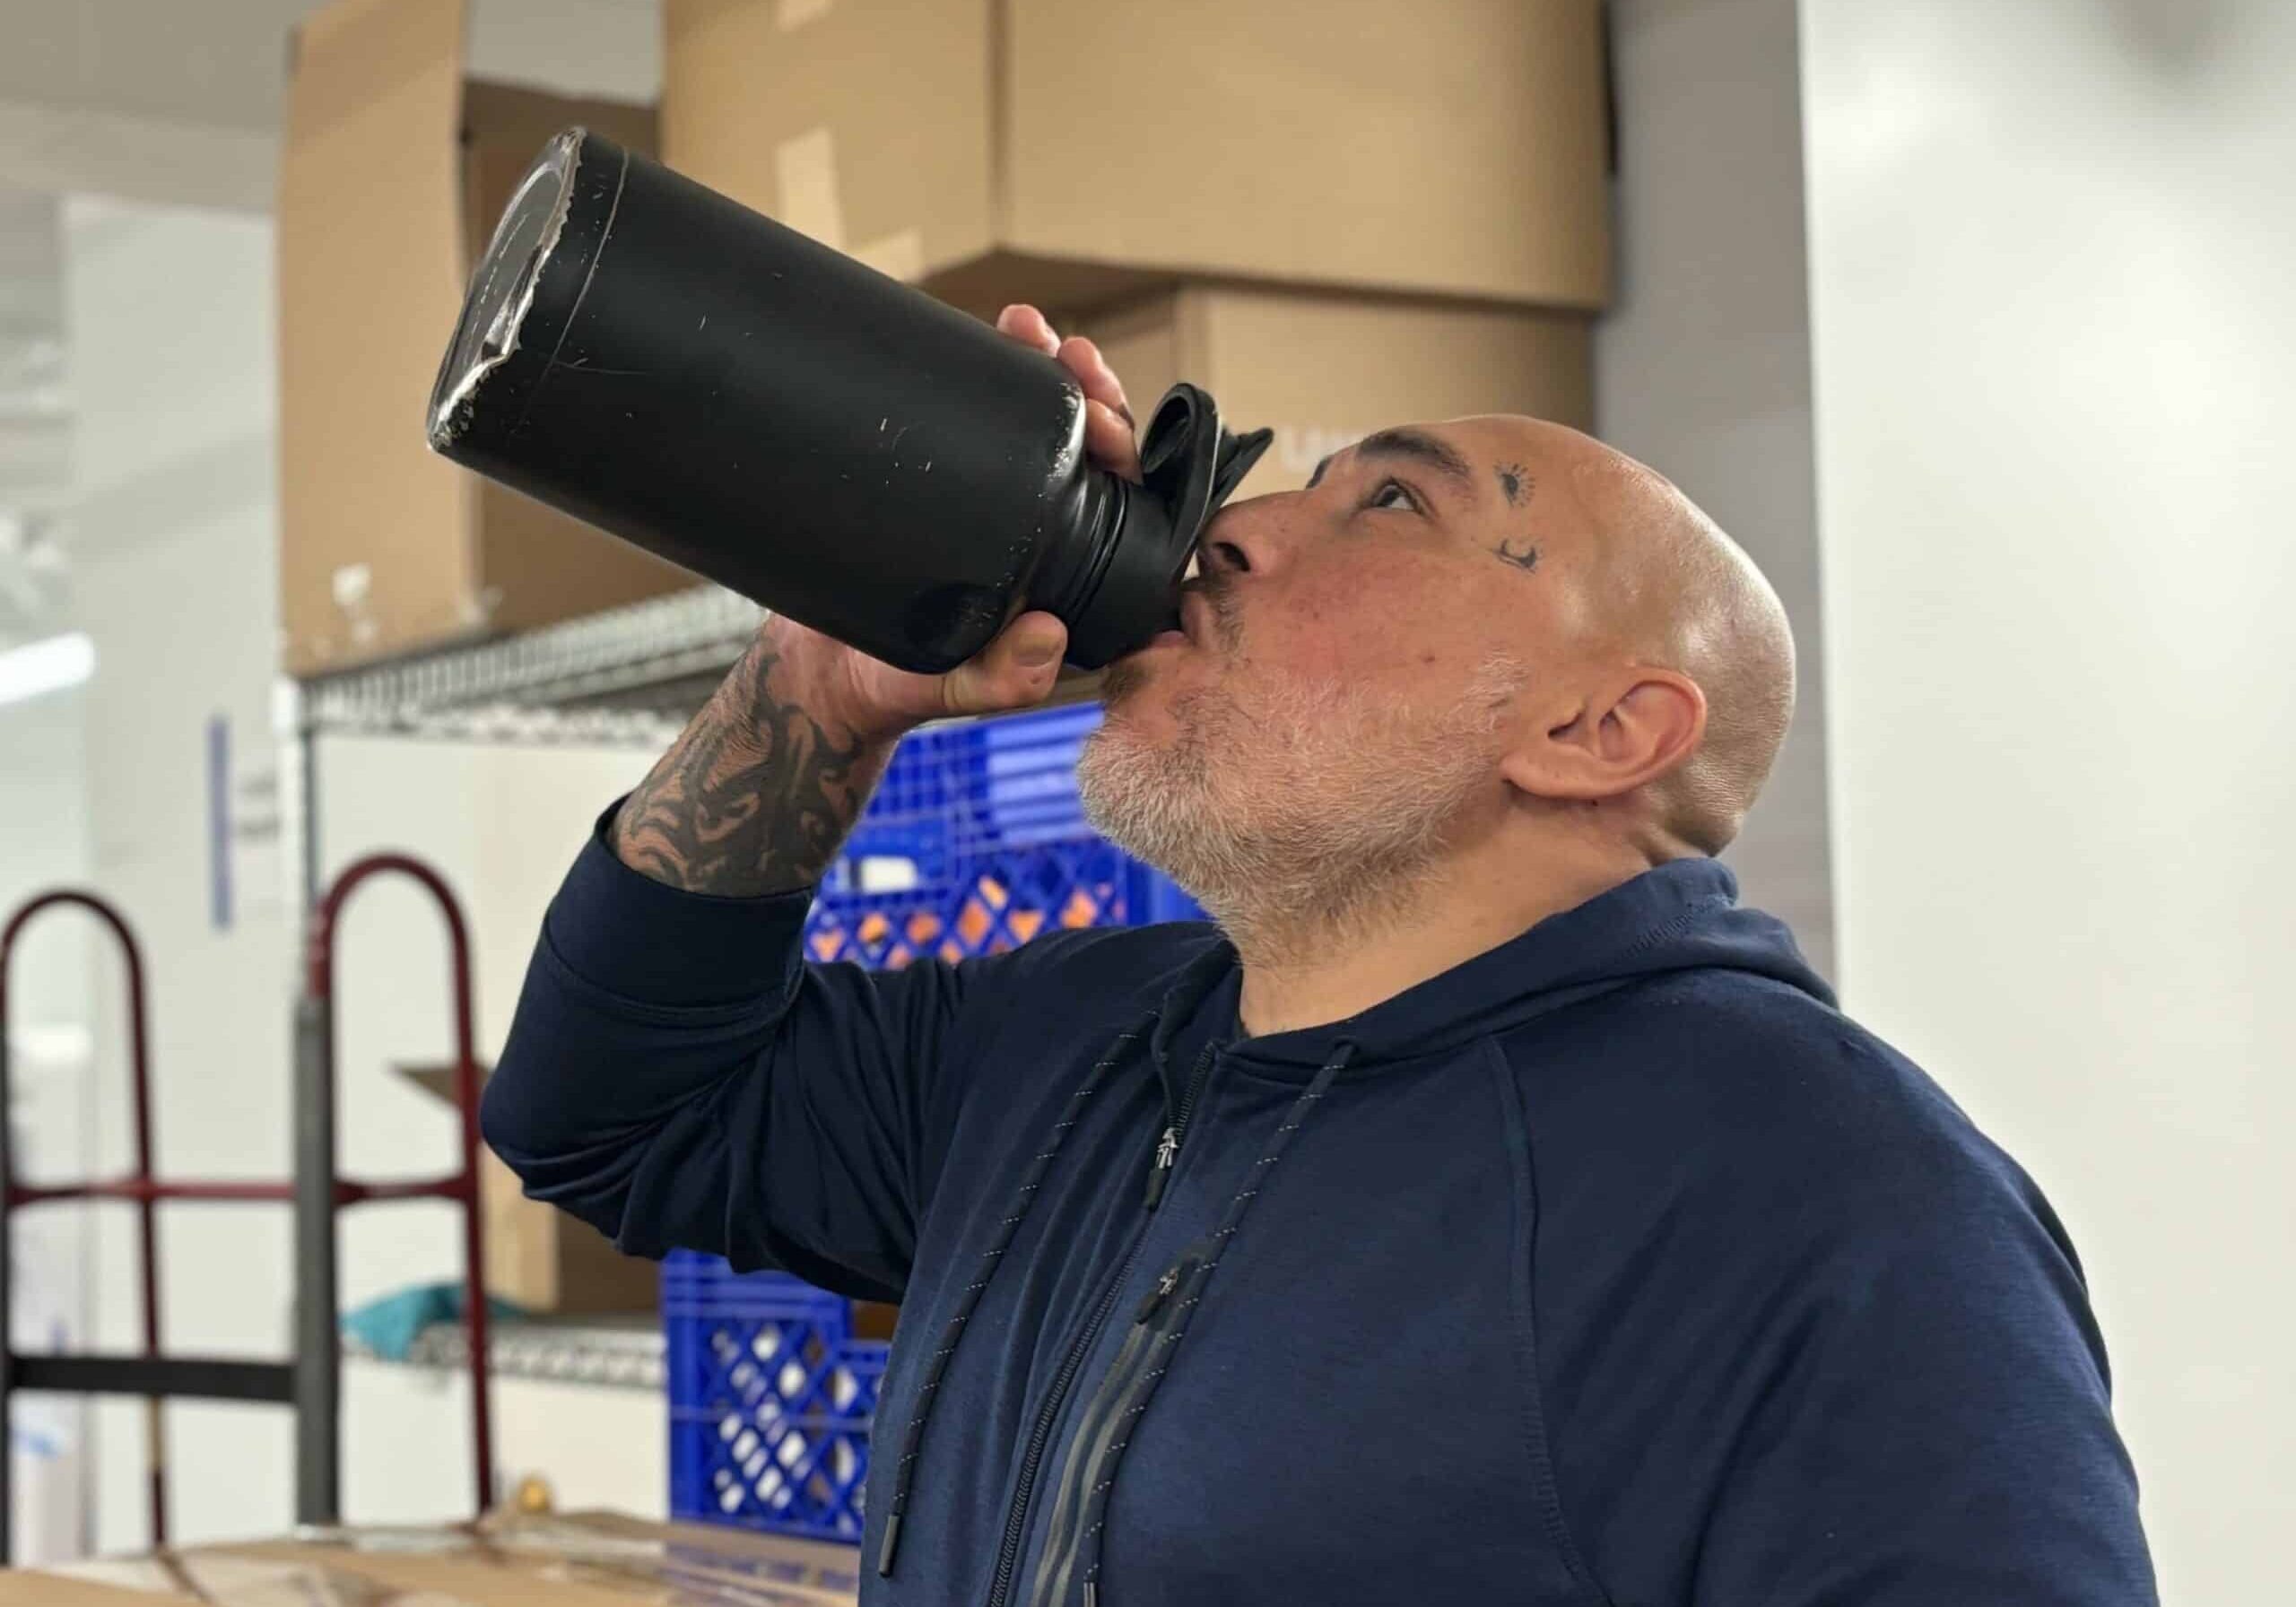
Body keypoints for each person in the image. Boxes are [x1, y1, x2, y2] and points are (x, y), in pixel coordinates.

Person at [483, 306, 2156, 1605]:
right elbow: (614, 1113)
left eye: (1396, 502)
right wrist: (814, 697)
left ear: (1598, 728)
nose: (1239, 527)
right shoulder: (1073, 1042)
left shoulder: (1827, 1199)